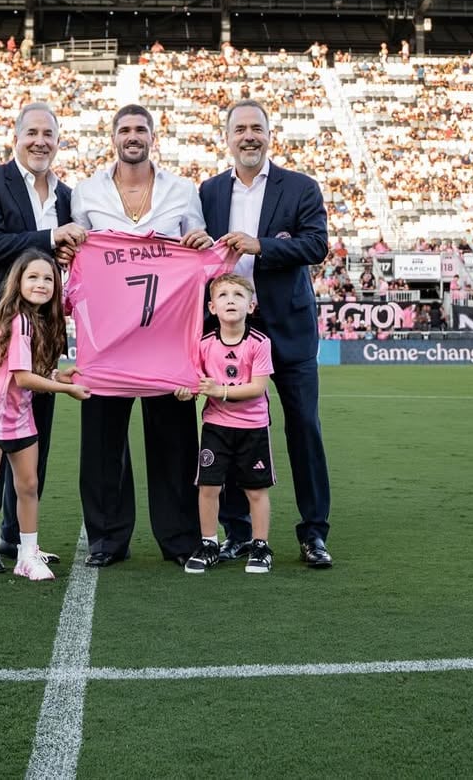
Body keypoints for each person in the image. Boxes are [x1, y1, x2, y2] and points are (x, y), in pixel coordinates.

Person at [70, 103, 212, 568]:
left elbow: (200, 255)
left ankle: (179, 538)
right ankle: (107, 539)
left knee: (174, 443)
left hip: (166, 344)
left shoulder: (183, 190)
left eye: (141, 129)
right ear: (113, 137)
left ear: (153, 136)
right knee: (102, 445)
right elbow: (80, 264)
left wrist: (199, 243)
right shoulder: (87, 192)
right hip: (108, 344)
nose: (133, 136)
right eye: (125, 129)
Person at [0, 103, 86, 573]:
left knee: (35, 436)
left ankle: (17, 538)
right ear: (16, 136)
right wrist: (52, 236)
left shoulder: (69, 195)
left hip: (45, 329)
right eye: (32, 132)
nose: (40, 141)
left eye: (48, 134)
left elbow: (71, 253)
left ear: (58, 140)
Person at [199, 99, 334, 568]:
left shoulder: (300, 187)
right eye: (241, 129)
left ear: (269, 134)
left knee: (304, 429)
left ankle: (314, 531)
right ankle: (238, 531)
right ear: (228, 137)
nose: (249, 136)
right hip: (231, 332)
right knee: (229, 430)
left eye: (257, 127)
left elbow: (317, 245)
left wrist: (262, 248)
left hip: (289, 331)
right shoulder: (211, 191)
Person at [0, 250, 90, 588]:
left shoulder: (37, 320)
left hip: (20, 417)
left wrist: (58, 376)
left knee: (28, 487)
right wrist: (65, 389)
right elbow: (22, 378)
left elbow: (29, 372)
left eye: (49, 278)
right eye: (33, 277)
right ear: (18, 282)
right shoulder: (17, 319)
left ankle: (27, 555)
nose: (41, 284)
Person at [175, 273, 275, 575]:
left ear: (252, 305)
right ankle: (208, 543)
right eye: (223, 295)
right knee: (208, 486)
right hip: (216, 427)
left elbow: (257, 387)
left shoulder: (259, 343)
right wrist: (185, 391)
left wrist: (222, 391)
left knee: (256, 490)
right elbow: (193, 382)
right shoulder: (203, 344)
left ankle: (260, 546)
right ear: (212, 307)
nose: (230, 299)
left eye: (238, 295)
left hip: (253, 428)